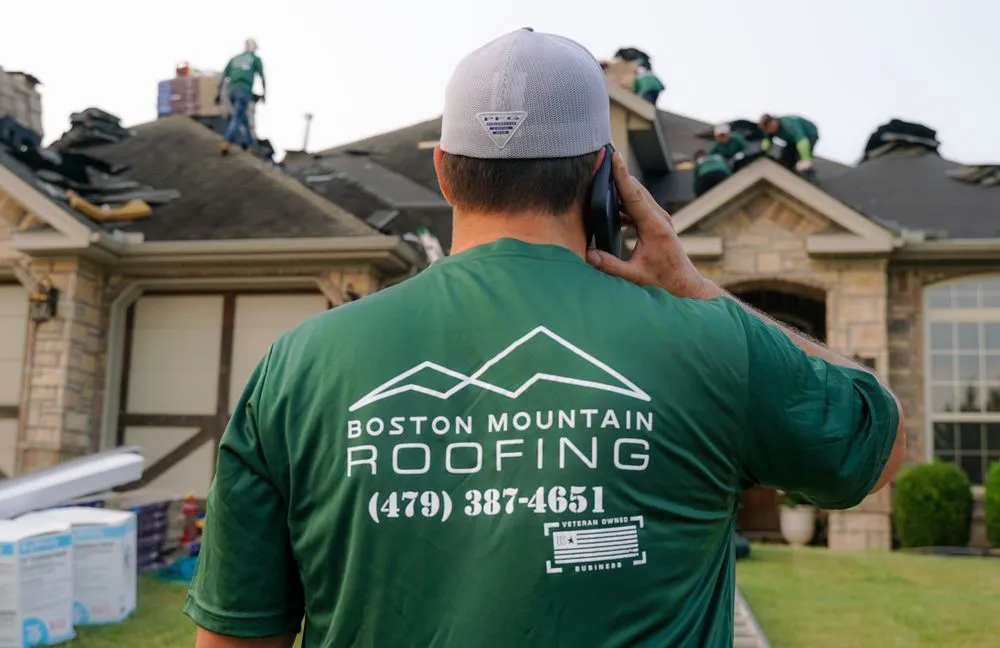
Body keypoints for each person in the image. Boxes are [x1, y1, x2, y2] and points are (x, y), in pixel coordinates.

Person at [184, 28, 905, 648]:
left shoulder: (297, 365)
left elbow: (234, 634)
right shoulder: (709, 340)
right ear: (601, 174)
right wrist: (697, 288)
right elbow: (877, 445)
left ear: (442, 170)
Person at [215, 39, 265, 155]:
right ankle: (227, 141)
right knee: (237, 116)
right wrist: (264, 93)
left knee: (243, 118)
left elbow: (223, 76)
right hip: (244, 90)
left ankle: (251, 146)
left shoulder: (235, 58)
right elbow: (262, 77)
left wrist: (218, 94)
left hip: (231, 90)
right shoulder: (255, 59)